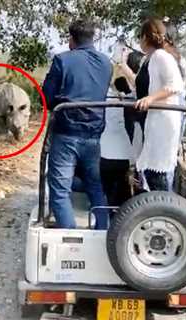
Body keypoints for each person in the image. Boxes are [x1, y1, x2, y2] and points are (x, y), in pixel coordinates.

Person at [42, 19, 112, 229]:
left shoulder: (62, 60)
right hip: (94, 135)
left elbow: (46, 98)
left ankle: (70, 239)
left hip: (66, 133)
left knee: (60, 190)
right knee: (94, 185)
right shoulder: (106, 63)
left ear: (71, 39)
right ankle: (103, 233)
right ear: (92, 38)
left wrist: (59, 101)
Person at [131, 17, 186, 192]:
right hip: (155, 119)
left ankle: (165, 211)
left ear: (147, 37)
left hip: (164, 119)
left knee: (159, 172)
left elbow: (176, 85)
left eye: (140, 36)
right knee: (151, 170)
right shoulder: (151, 58)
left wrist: (151, 98)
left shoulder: (161, 56)